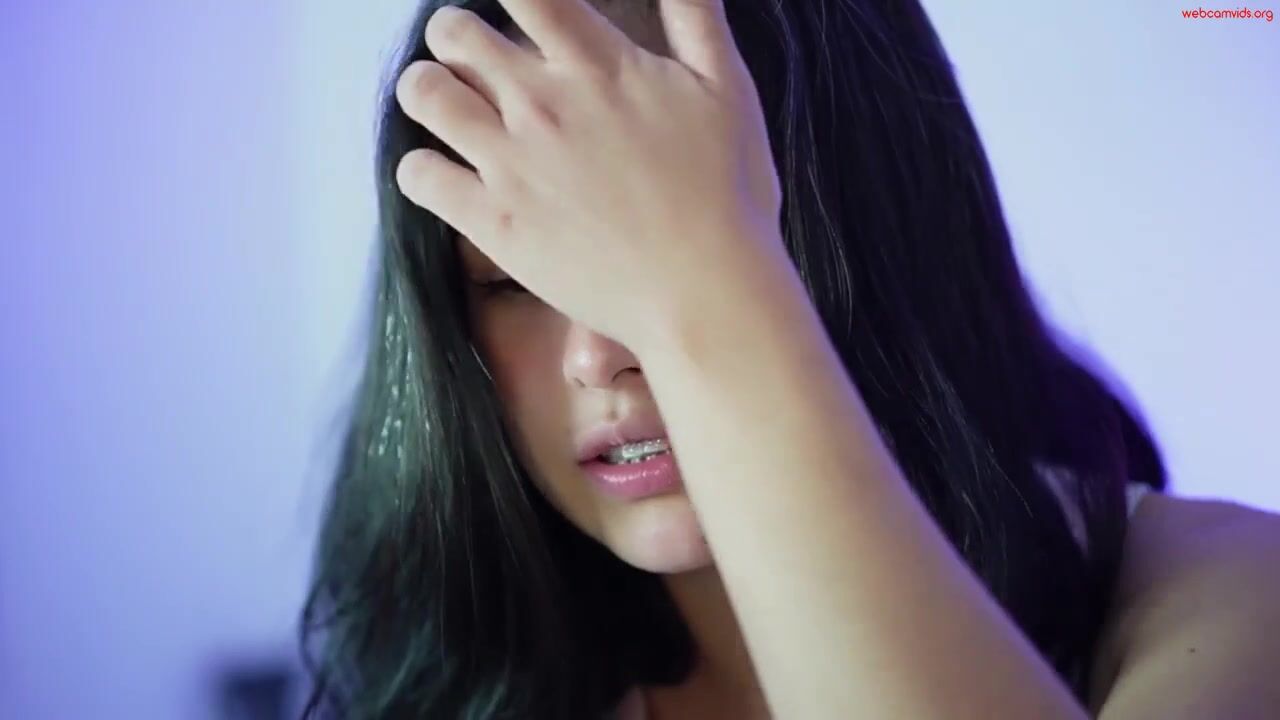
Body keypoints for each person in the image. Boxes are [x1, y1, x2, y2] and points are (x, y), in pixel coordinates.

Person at [298, 0, 1280, 718]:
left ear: (890, 229)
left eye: (686, 240)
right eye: (514, 281)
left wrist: (708, 296)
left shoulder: (1219, 593)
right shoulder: (448, 674)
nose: (599, 352)